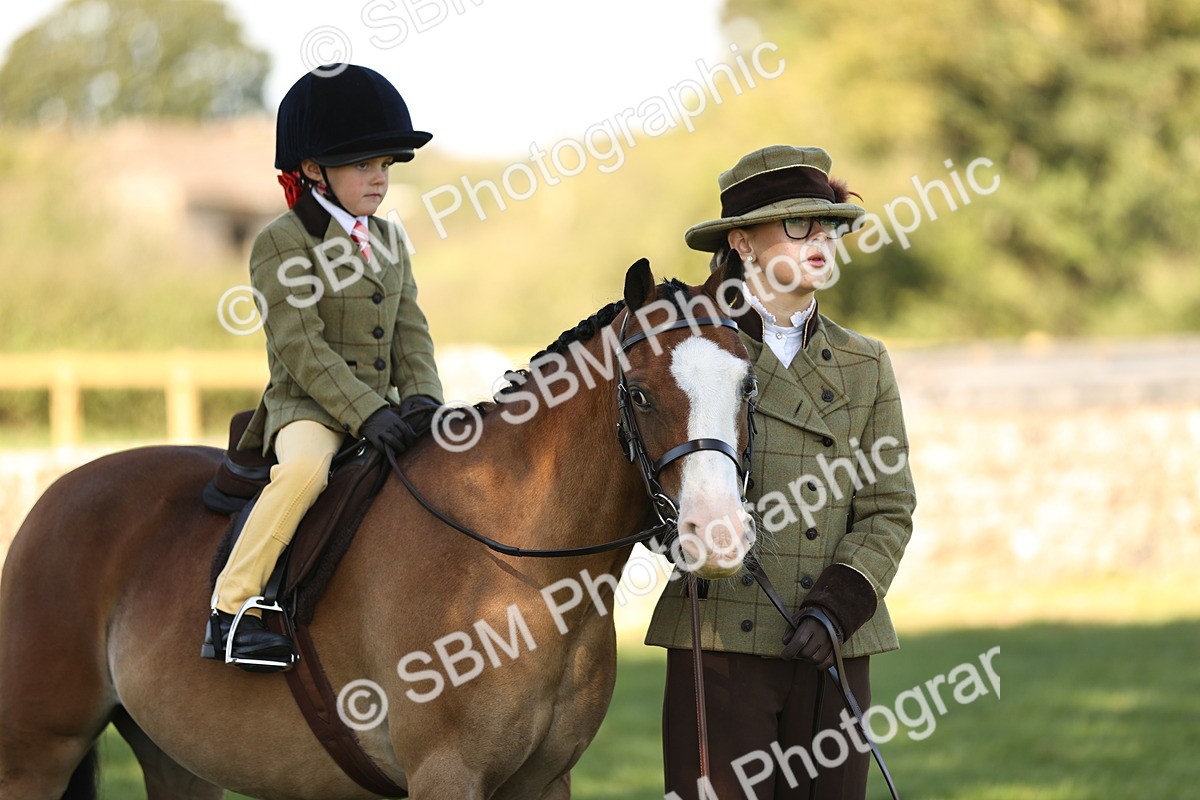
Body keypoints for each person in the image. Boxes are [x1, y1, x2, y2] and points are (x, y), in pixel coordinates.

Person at [645, 145, 916, 799]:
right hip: (724, 636)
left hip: (835, 645)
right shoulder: (690, 351)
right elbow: (652, 480)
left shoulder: (865, 361)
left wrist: (834, 612)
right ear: (742, 242)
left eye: (828, 225)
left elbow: (888, 506)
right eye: (799, 225)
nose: (821, 239)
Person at [201, 64, 444, 669]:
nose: (380, 179)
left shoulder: (389, 240)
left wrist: (423, 399)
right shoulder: (282, 243)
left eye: (385, 166)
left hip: (385, 409)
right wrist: (366, 413)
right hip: (308, 407)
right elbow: (301, 347)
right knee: (306, 472)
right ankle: (231, 610)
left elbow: (410, 328)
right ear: (314, 170)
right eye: (364, 166)